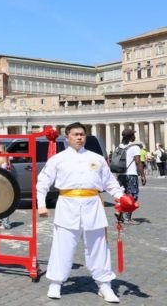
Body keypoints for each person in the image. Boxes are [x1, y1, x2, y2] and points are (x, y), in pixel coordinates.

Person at [37, 122, 124, 303]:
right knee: (63, 246)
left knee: (98, 247)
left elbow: (109, 182)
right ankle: (56, 282)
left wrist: (121, 198)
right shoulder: (58, 159)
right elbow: (43, 181)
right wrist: (41, 204)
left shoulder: (96, 158)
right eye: (75, 134)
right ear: (67, 137)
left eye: (82, 134)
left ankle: (104, 284)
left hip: (92, 205)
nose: (79, 138)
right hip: (67, 205)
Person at [116, 129, 145, 224]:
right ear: (130, 136)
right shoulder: (135, 147)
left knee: (123, 195)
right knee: (132, 196)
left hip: (121, 175)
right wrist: (143, 175)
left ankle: (120, 213)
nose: (135, 137)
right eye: (133, 135)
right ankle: (128, 218)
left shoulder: (119, 147)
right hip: (131, 174)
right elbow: (138, 162)